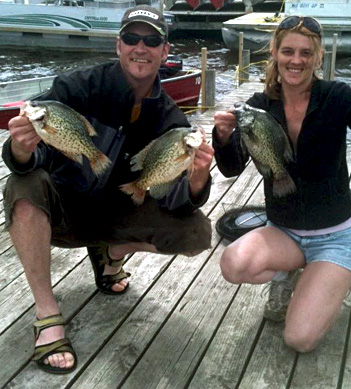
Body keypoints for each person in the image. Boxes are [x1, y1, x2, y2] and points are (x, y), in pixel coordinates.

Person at [2, 5, 214, 374]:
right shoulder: (76, 87)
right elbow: (27, 161)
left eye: (152, 40)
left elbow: (171, 197)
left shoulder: (171, 119)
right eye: (131, 38)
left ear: (165, 52)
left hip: (120, 213)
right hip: (66, 209)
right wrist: (20, 149)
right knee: (22, 183)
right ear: (118, 45)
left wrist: (196, 180)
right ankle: (47, 312)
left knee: (196, 231)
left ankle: (111, 253)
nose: (140, 47)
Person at [213, 15, 351, 353]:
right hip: (283, 231)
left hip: (334, 234)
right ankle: (289, 273)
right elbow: (231, 168)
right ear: (274, 52)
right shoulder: (258, 108)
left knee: (299, 339)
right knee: (233, 263)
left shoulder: (338, 97)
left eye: (306, 53)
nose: (296, 60)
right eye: (288, 51)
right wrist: (222, 135)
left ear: (318, 58)